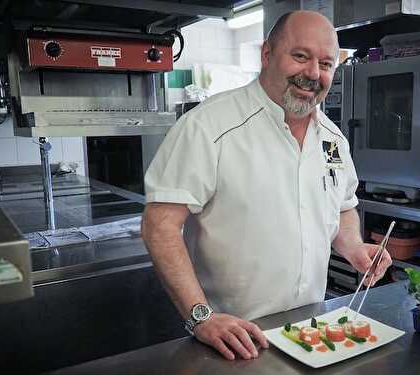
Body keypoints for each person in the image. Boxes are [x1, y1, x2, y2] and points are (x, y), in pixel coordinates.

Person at [141, 10, 392, 361]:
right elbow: (160, 226)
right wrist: (201, 317)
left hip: (309, 334)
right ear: (266, 54)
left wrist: (354, 248)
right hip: (233, 340)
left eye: (325, 63)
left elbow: (343, 207)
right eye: (300, 56)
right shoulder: (208, 127)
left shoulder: (333, 139)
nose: (312, 74)